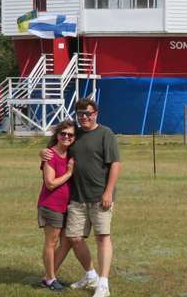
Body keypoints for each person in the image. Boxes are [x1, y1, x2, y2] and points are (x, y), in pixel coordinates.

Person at [41, 98, 121, 297]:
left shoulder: (106, 134)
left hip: (100, 196)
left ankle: (103, 283)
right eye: (80, 114)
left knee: (103, 238)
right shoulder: (74, 135)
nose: (84, 117)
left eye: (88, 113)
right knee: (75, 238)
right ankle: (90, 274)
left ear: (96, 114)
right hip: (77, 198)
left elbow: (115, 164)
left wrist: (108, 192)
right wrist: (43, 152)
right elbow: (57, 148)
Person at [36, 120, 76, 292]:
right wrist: (69, 173)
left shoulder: (71, 155)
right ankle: (51, 279)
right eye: (63, 134)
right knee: (51, 242)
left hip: (68, 206)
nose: (66, 137)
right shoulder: (51, 155)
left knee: (67, 241)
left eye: (70, 135)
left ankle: (48, 276)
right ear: (57, 135)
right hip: (51, 205)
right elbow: (50, 183)